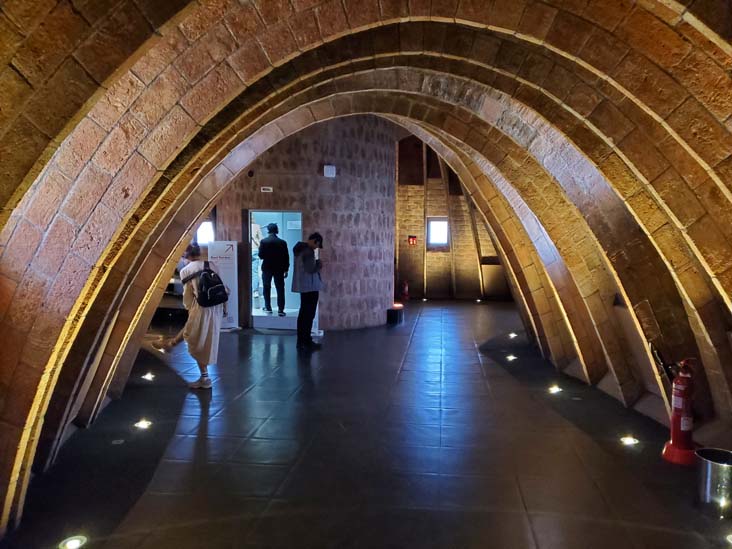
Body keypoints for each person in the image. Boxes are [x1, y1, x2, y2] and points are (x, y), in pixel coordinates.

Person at [154, 243, 224, 389]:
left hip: (200, 307)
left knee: (196, 340)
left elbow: (187, 296)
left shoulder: (186, 270)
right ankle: (170, 344)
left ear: (185, 255)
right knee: (203, 336)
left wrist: (189, 309)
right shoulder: (211, 264)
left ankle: (205, 379)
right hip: (216, 307)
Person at [292, 232, 323, 351]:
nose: (316, 248)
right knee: (309, 314)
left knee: (303, 314)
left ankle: (301, 341)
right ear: (314, 240)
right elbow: (311, 269)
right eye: (317, 245)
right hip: (310, 286)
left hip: (302, 286)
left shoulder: (298, 249)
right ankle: (306, 341)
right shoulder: (308, 252)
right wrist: (319, 264)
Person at [258, 223, 290, 316]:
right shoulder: (282, 242)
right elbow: (286, 257)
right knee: (280, 289)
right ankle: (280, 309)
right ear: (276, 230)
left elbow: (261, 256)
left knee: (266, 287)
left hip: (267, 267)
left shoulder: (264, 241)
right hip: (279, 268)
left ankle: (268, 307)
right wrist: (286, 269)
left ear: (268, 230)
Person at [251, 215, 263, 298]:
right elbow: (261, 240)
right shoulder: (256, 226)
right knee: (254, 272)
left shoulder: (242, 225)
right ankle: (255, 291)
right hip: (254, 249)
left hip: (245, 250)